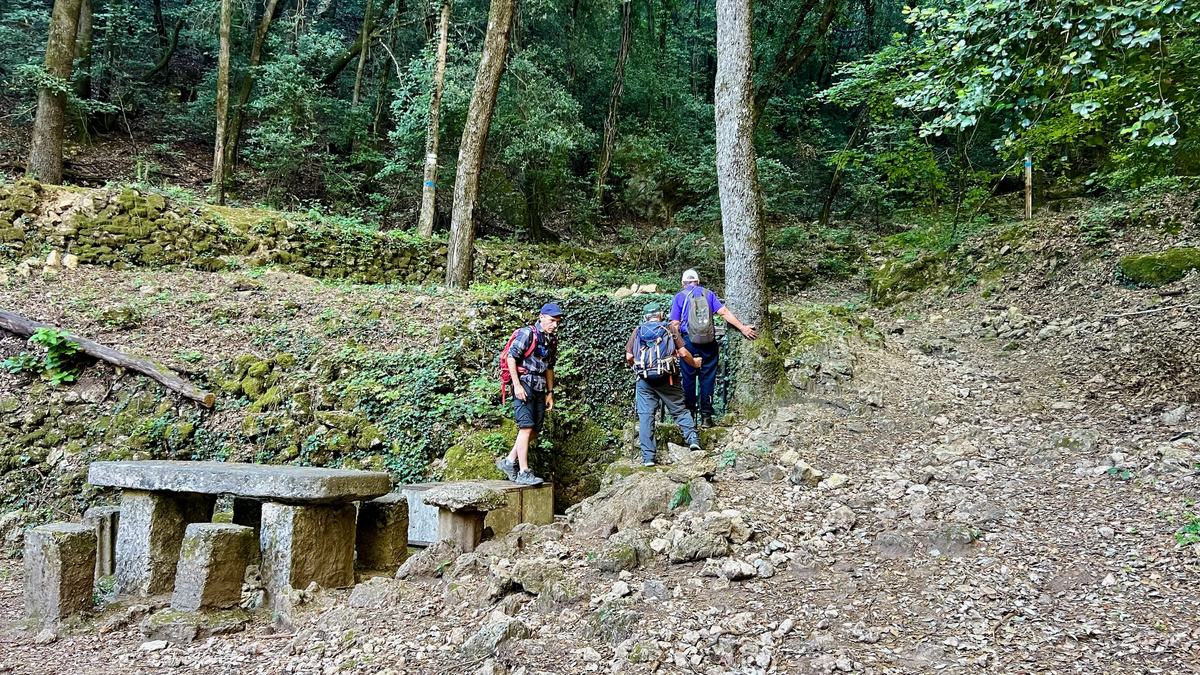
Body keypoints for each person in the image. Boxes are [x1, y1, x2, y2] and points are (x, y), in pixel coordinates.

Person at [669, 268, 758, 427]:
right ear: (698, 281)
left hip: (688, 343)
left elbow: (674, 324)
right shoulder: (708, 294)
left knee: (688, 379)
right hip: (709, 343)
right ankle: (706, 418)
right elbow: (723, 312)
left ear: (683, 283)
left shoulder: (679, 297)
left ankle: (689, 417)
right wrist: (742, 327)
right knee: (707, 379)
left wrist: (676, 346)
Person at [626, 302, 704, 466]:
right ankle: (692, 441)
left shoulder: (638, 330)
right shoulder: (669, 328)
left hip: (645, 381)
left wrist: (640, 369)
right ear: (660, 315)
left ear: (645, 317)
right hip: (668, 379)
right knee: (679, 410)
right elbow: (683, 353)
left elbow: (629, 357)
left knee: (646, 416)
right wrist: (695, 363)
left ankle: (648, 458)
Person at [496, 302, 563, 485]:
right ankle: (524, 472)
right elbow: (511, 357)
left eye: (557, 322)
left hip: (540, 387)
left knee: (534, 430)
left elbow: (549, 367)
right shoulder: (528, 333)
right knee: (525, 428)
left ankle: (509, 462)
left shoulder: (551, 340)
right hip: (524, 384)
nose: (554, 325)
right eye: (551, 321)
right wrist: (516, 385)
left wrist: (550, 392)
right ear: (541, 317)